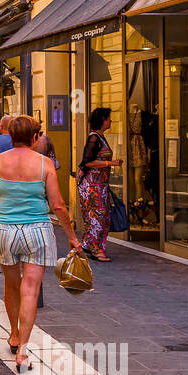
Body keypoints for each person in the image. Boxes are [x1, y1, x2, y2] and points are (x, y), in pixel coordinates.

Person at [0, 115, 84, 372]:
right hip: (37, 231)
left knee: (12, 285)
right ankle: (23, 351)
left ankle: (13, 334)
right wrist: (71, 236)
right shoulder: (45, 164)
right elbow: (58, 205)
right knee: (30, 291)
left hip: (4, 231)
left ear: (11, 136)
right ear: (35, 137)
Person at [77, 107, 123, 261]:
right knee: (98, 216)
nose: (111, 121)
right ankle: (96, 250)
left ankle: (89, 245)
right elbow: (87, 162)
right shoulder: (94, 138)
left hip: (99, 184)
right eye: (109, 118)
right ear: (103, 120)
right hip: (93, 185)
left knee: (100, 216)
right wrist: (111, 163)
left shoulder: (100, 137)